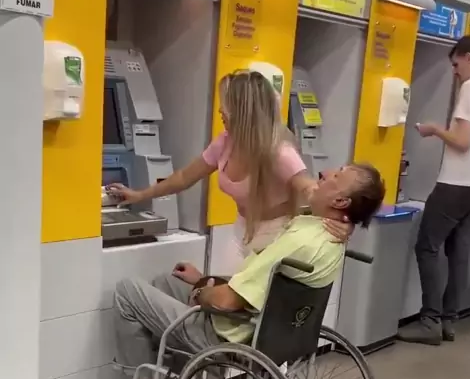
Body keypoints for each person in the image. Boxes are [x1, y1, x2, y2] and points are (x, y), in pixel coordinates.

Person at [105, 163, 385, 379]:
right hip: (271, 333)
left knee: (127, 290)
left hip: (227, 334)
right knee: (165, 283)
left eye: (336, 176)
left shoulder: (300, 240)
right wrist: (203, 280)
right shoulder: (329, 237)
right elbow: (263, 286)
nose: (324, 173)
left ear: (340, 201)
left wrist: (201, 293)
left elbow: (226, 302)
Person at [107, 69, 350, 267]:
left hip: (277, 236)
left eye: (226, 105)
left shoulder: (279, 152)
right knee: (221, 297)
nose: (220, 110)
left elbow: (310, 189)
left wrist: (341, 220)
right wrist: (139, 195)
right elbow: (183, 177)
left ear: (244, 112)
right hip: (241, 230)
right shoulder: (225, 142)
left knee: (241, 304)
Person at [398, 35, 470, 345]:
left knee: (427, 247)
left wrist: (433, 130)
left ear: (469, 57)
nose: (455, 73)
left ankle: (429, 321)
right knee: (459, 250)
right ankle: (449, 321)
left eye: (456, 65)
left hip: (455, 183)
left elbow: (462, 141)